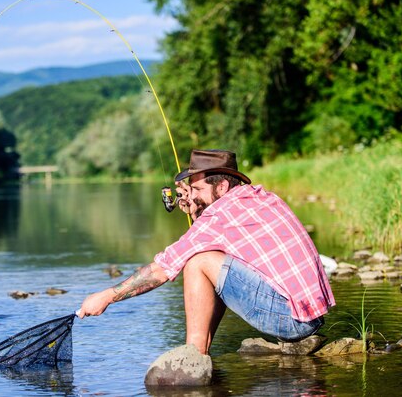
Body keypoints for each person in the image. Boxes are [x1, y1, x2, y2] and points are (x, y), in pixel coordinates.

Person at [78, 149, 335, 355]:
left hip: (292, 321)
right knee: (211, 257)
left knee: (197, 262)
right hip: (309, 315)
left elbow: (163, 268)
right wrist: (198, 208)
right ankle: (201, 352)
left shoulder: (219, 216)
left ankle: (195, 354)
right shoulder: (256, 197)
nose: (193, 196)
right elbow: (216, 237)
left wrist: (107, 296)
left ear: (221, 186)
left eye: (198, 190)